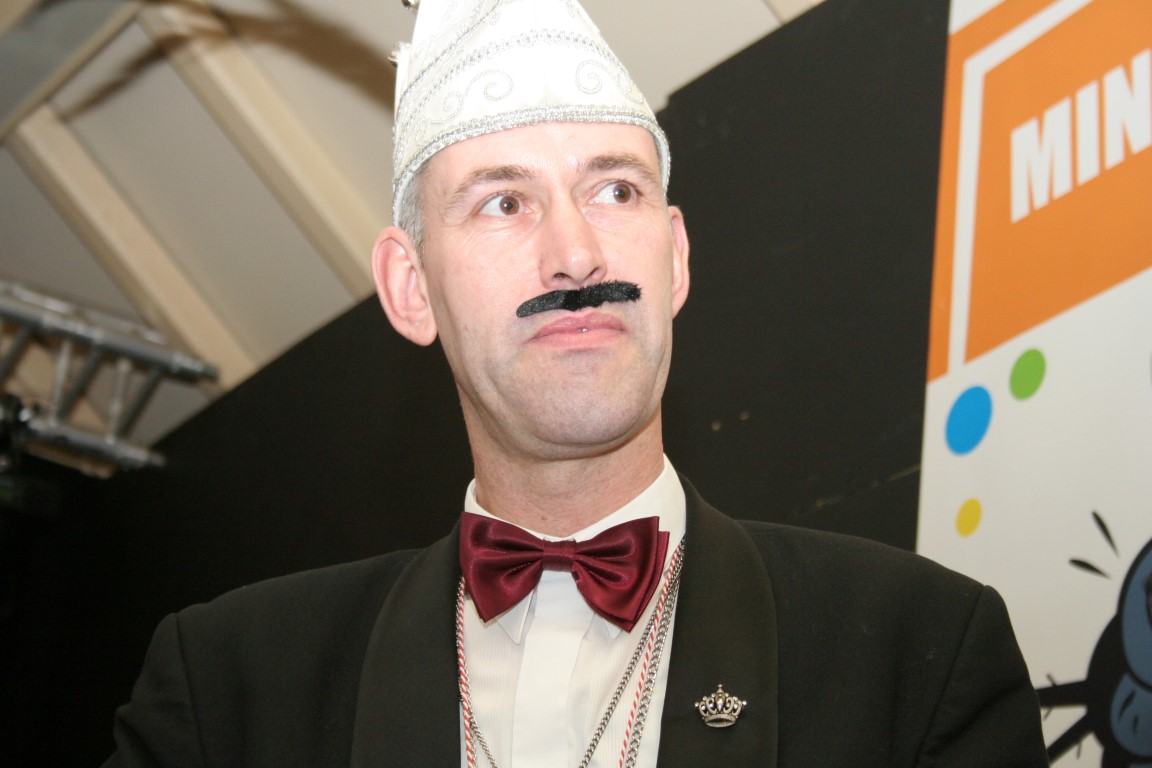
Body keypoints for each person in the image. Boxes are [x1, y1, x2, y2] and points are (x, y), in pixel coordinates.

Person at [102, 0, 1050, 766]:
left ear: (676, 258)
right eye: (503, 201)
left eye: (615, 190)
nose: (575, 252)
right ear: (411, 287)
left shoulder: (915, 651)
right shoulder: (230, 690)